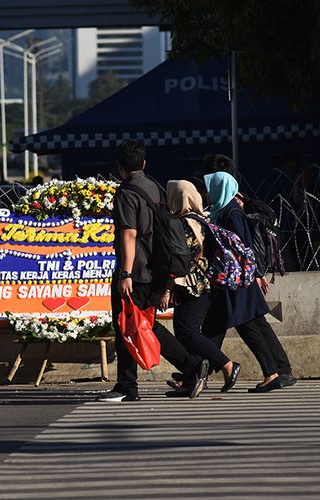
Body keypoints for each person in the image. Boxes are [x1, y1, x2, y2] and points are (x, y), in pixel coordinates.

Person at [96, 141, 209, 402]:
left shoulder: (126, 193)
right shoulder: (154, 187)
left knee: (127, 324)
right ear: (144, 164)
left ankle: (129, 386)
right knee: (140, 323)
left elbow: (129, 234)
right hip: (155, 268)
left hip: (135, 270)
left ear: (119, 167)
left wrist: (124, 274)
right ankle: (190, 365)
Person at [203, 171, 296, 392]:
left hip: (236, 281)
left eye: (211, 188)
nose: (207, 194)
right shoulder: (223, 211)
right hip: (233, 280)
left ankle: (273, 373)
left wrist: (252, 274)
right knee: (214, 328)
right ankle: (195, 373)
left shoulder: (231, 213)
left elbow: (242, 247)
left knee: (249, 327)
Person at [160, 180, 241, 395]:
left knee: (187, 331)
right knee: (184, 330)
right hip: (206, 285)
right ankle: (191, 379)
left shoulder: (183, 224)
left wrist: (167, 290)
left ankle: (226, 365)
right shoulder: (202, 219)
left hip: (193, 286)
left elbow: (178, 261)